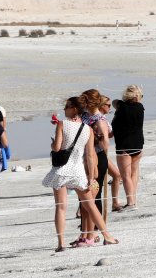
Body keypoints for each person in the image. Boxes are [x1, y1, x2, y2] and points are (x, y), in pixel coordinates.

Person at [42, 96, 118, 252]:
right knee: (90, 205)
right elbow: (90, 155)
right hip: (78, 170)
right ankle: (107, 236)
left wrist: (52, 142)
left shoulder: (62, 124)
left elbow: (56, 148)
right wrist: (91, 178)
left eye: (67, 107)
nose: (64, 109)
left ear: (74, 109)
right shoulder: (88, 129)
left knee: (61, 207)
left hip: (62, 170)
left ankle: (61, 243)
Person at [79, 89, 111, 242]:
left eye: (84, 101)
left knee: (94, 193)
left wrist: (95, 137)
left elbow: (106, 144)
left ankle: (95, 231)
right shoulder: (85, 115)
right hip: (85, 156)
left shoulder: (100, 119)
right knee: (84, 195)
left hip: (97, 156)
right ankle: (85, 231)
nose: (82, 103)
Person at [111, 85, 144, 211]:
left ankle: (130, 202)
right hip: (138, 143)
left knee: (126, 176)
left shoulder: (121, 108)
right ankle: (133, 200)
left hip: (124, 145)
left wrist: (122, 103)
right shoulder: (140, 107)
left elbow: (115, 102)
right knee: (134, 173)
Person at [99, 96, 123, 212]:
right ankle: (83, 207)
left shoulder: (102, 118)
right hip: (96, 153)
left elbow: (109, 135)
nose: (110, 107)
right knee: (93, 181)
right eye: (108, 105)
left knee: (116, 175)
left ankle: (115, 202)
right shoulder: (98, 118)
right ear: (101, 106)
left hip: (101, 152)